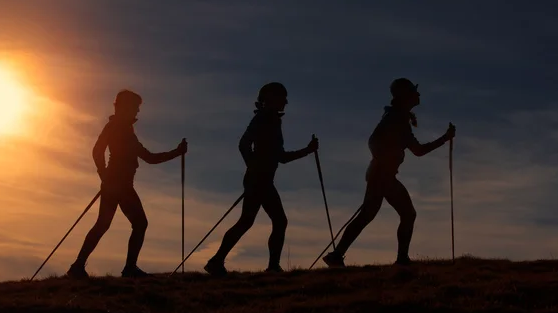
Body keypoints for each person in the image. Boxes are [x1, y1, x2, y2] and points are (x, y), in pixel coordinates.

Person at [322, 78, 455, 267]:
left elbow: (401, 147)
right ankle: (400, 260)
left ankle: (337, 255)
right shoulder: (396, 119)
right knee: (404, 214)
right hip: (382, 176)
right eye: (413, 92)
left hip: (382, 175)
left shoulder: (396, 117)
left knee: (370, 215)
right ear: (405, 96)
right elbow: (413, 150)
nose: (418, 95)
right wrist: (445, 138)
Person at [67, 89, 187, 279]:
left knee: (104, 225)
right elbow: (98, 150)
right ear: (126, 107)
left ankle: (78, 266)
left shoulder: (125, 130)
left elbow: (149, 158)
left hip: (116, 184)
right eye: (136, 107)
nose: (138, 112)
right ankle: (127, 268)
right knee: (138, 223)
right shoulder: (116, 126)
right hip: (119, 185)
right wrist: (104, 174)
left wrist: (176, 152)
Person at [204, 82, 318, 276]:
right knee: (273, 221)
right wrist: (253, 166)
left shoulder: (272, 120)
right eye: (283, 97)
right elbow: (244, 144)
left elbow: (280, 157)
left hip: (262, 179)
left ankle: (218, 261)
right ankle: (269, 266)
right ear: (271, 99)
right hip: (258, 179)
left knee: (251, 221)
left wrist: (307, 151)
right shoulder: (263, 119)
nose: (286, 101)